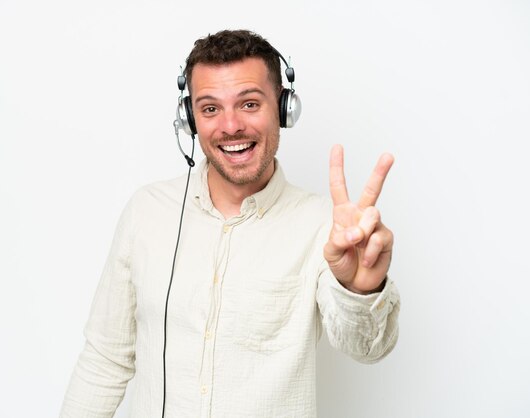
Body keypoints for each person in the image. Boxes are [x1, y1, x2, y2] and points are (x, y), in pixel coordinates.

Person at [60, 29, 400, 418]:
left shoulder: (324, 227)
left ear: (284, 109)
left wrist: (360, 289)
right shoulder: (146, 211)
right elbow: (105, 359)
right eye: (209, 109)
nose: (230, 126)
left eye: (250, 104)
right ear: (190, 119)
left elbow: (367, 348)